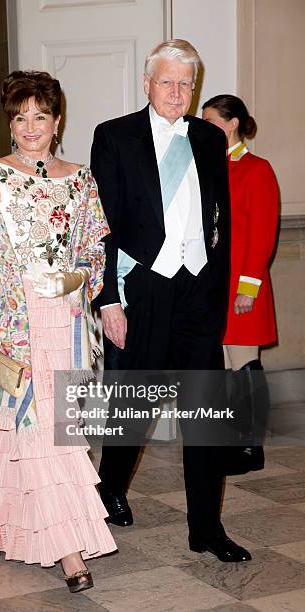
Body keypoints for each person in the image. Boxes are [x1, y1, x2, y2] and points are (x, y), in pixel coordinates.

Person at [0, 70, 116, 593]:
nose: (29, 127)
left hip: (65, 322)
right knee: (34, 433)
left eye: (39, 116)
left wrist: (75, 279)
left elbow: (94, 252)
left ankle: (22, 533)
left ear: (56, 119)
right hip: (13, 323)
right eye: (19, 117)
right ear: (10, 121)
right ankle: (70, 554)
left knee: (57, 435)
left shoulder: (81, 179)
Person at [91, 39, 251, 562]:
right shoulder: (114, 137)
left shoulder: (207, 137)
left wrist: (218, 287)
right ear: (147, 83)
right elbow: (103, 227)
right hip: (145, 290)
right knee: (132, 404)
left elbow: (219, 218)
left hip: (197, 292)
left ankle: (206, 527)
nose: (177, 93)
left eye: (186, 84)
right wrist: (108, 299)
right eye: (167, 82)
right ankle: (110, 487)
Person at [202, 94, 278, 471]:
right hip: (214, 286)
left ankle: (252, 447)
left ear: (232, 124)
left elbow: (263, 235)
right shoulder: (210, 168)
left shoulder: (257, 169)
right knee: (226, 368)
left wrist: (247, 288)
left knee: (245, 363)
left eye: (212, 120)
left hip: (243, 287)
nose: (206, 127)